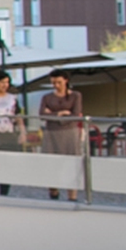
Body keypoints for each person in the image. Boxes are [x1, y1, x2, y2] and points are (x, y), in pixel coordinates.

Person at [38, 70, 85, 201]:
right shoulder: (47, 97)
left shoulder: (75, 95)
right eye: (53, 82)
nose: (56, 85)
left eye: (59, 82)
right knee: (51, 163)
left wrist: (53, 114)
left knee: (71, 163)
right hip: (51, 133)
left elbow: (76, 115)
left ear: (66, 81)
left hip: (70, 133)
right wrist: (59, 114)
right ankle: (53, 192)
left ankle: (72, 197)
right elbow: (42, 114)